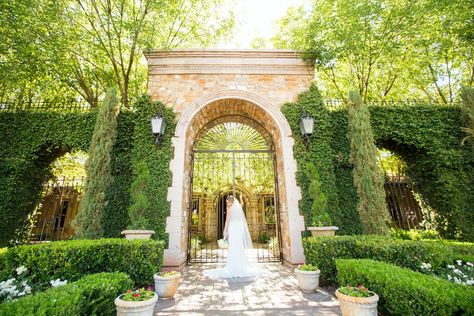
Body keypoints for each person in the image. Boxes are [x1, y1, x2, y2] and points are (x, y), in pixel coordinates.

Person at [203, 195, 260, 279]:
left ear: (231, 202)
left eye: (227, 202)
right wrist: (241, 198)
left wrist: (225, 230)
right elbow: (242, 204)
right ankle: (241, 265)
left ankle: (233, 266)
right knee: (239, 245)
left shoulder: (229, 209)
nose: (227, 204)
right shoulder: (238, 207)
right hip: (239, 227)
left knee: (233, 246)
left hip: (233, 227)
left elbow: (227, 220)